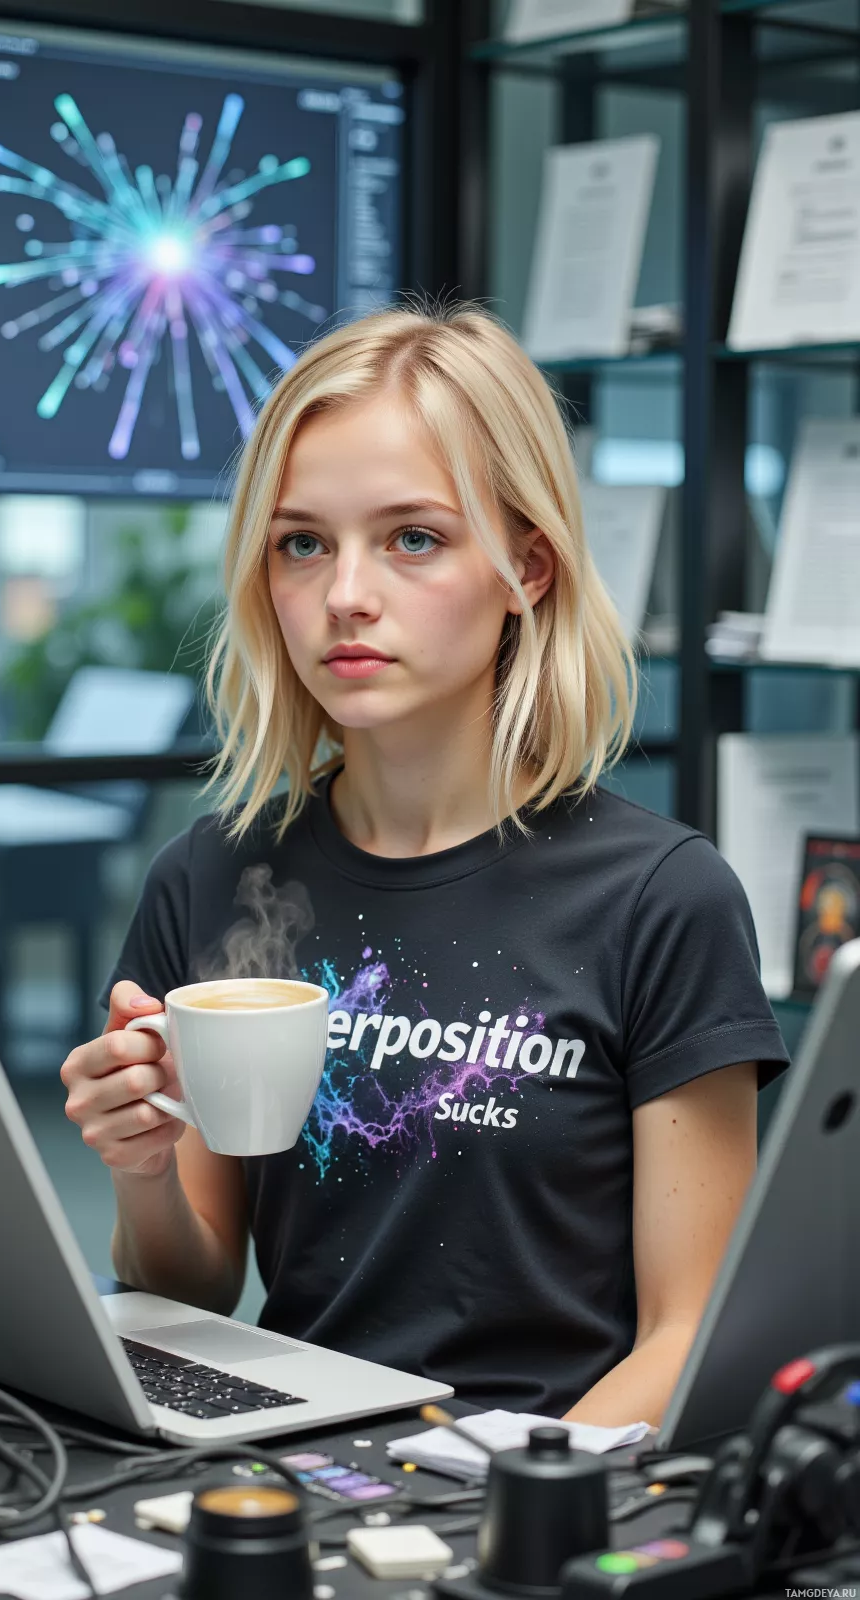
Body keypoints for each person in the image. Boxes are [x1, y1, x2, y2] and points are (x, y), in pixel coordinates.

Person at [61, 302, 790, 1426]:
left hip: (542, 1493)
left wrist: (489, 1512)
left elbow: (689, 1334)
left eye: (413, 538)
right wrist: (142, 1166)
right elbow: (188, 1288)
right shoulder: (208, 877)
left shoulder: (659, 899)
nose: (345, 593)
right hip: (297, 1463)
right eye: (303, 541)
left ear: (526, 568)